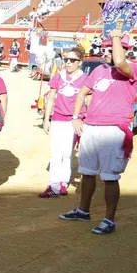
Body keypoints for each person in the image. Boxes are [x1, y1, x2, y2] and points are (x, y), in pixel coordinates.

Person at [59, 30, 137, 235]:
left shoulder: (131, 68)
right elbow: (83, 92)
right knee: (87, 172)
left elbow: (120, 62)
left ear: (122, 49)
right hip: (91, 126)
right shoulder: (99, 71)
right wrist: (76, 116)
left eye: (109, 48)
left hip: (114, 129)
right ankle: (83, 211)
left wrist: (115, 37)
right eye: (103, 48)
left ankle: (109, 219)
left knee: (109, 176)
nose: (105, 51)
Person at [40, 45, 87, 198]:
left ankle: (63, 183)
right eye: (66, 59)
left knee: (67, 153)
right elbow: (51, 98)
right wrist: (47, 119)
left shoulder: (85, 79)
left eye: (72, 60)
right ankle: (54, 184)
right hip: (58, 119)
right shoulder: (59, 76)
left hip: (74, 121)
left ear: (80, 62)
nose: (68, 62)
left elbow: (89, 102)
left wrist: (84, 121)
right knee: (55, 152)